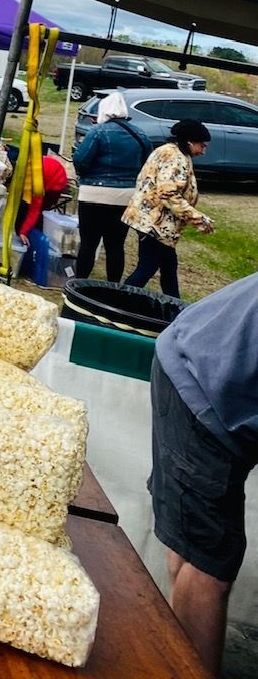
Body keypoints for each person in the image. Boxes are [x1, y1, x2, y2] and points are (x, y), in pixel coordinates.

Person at [149, 272, 258, 676]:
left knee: (197, 551)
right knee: (209, 562)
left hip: (204, 355)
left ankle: (177, 656)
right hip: (202, 378)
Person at [123, 119, 215, 298]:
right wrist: (197, 218)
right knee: (146, 270)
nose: (204, 151)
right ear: (189, 142)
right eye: (202, 146)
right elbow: (168, 195)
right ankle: (117, 303)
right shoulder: (174, 157)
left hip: (152, 221)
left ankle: (175, 307)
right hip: (155, 224)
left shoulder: (172, 152)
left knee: (169, 268)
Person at [72, 92, 152, 282]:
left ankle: (78, 283)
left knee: (88, 244)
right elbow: (147, 164)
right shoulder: (140, 134)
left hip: (94, 194)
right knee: (116, 245)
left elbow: (81, 161)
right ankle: (112, 286)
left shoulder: (98, 132)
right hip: (125, 196)